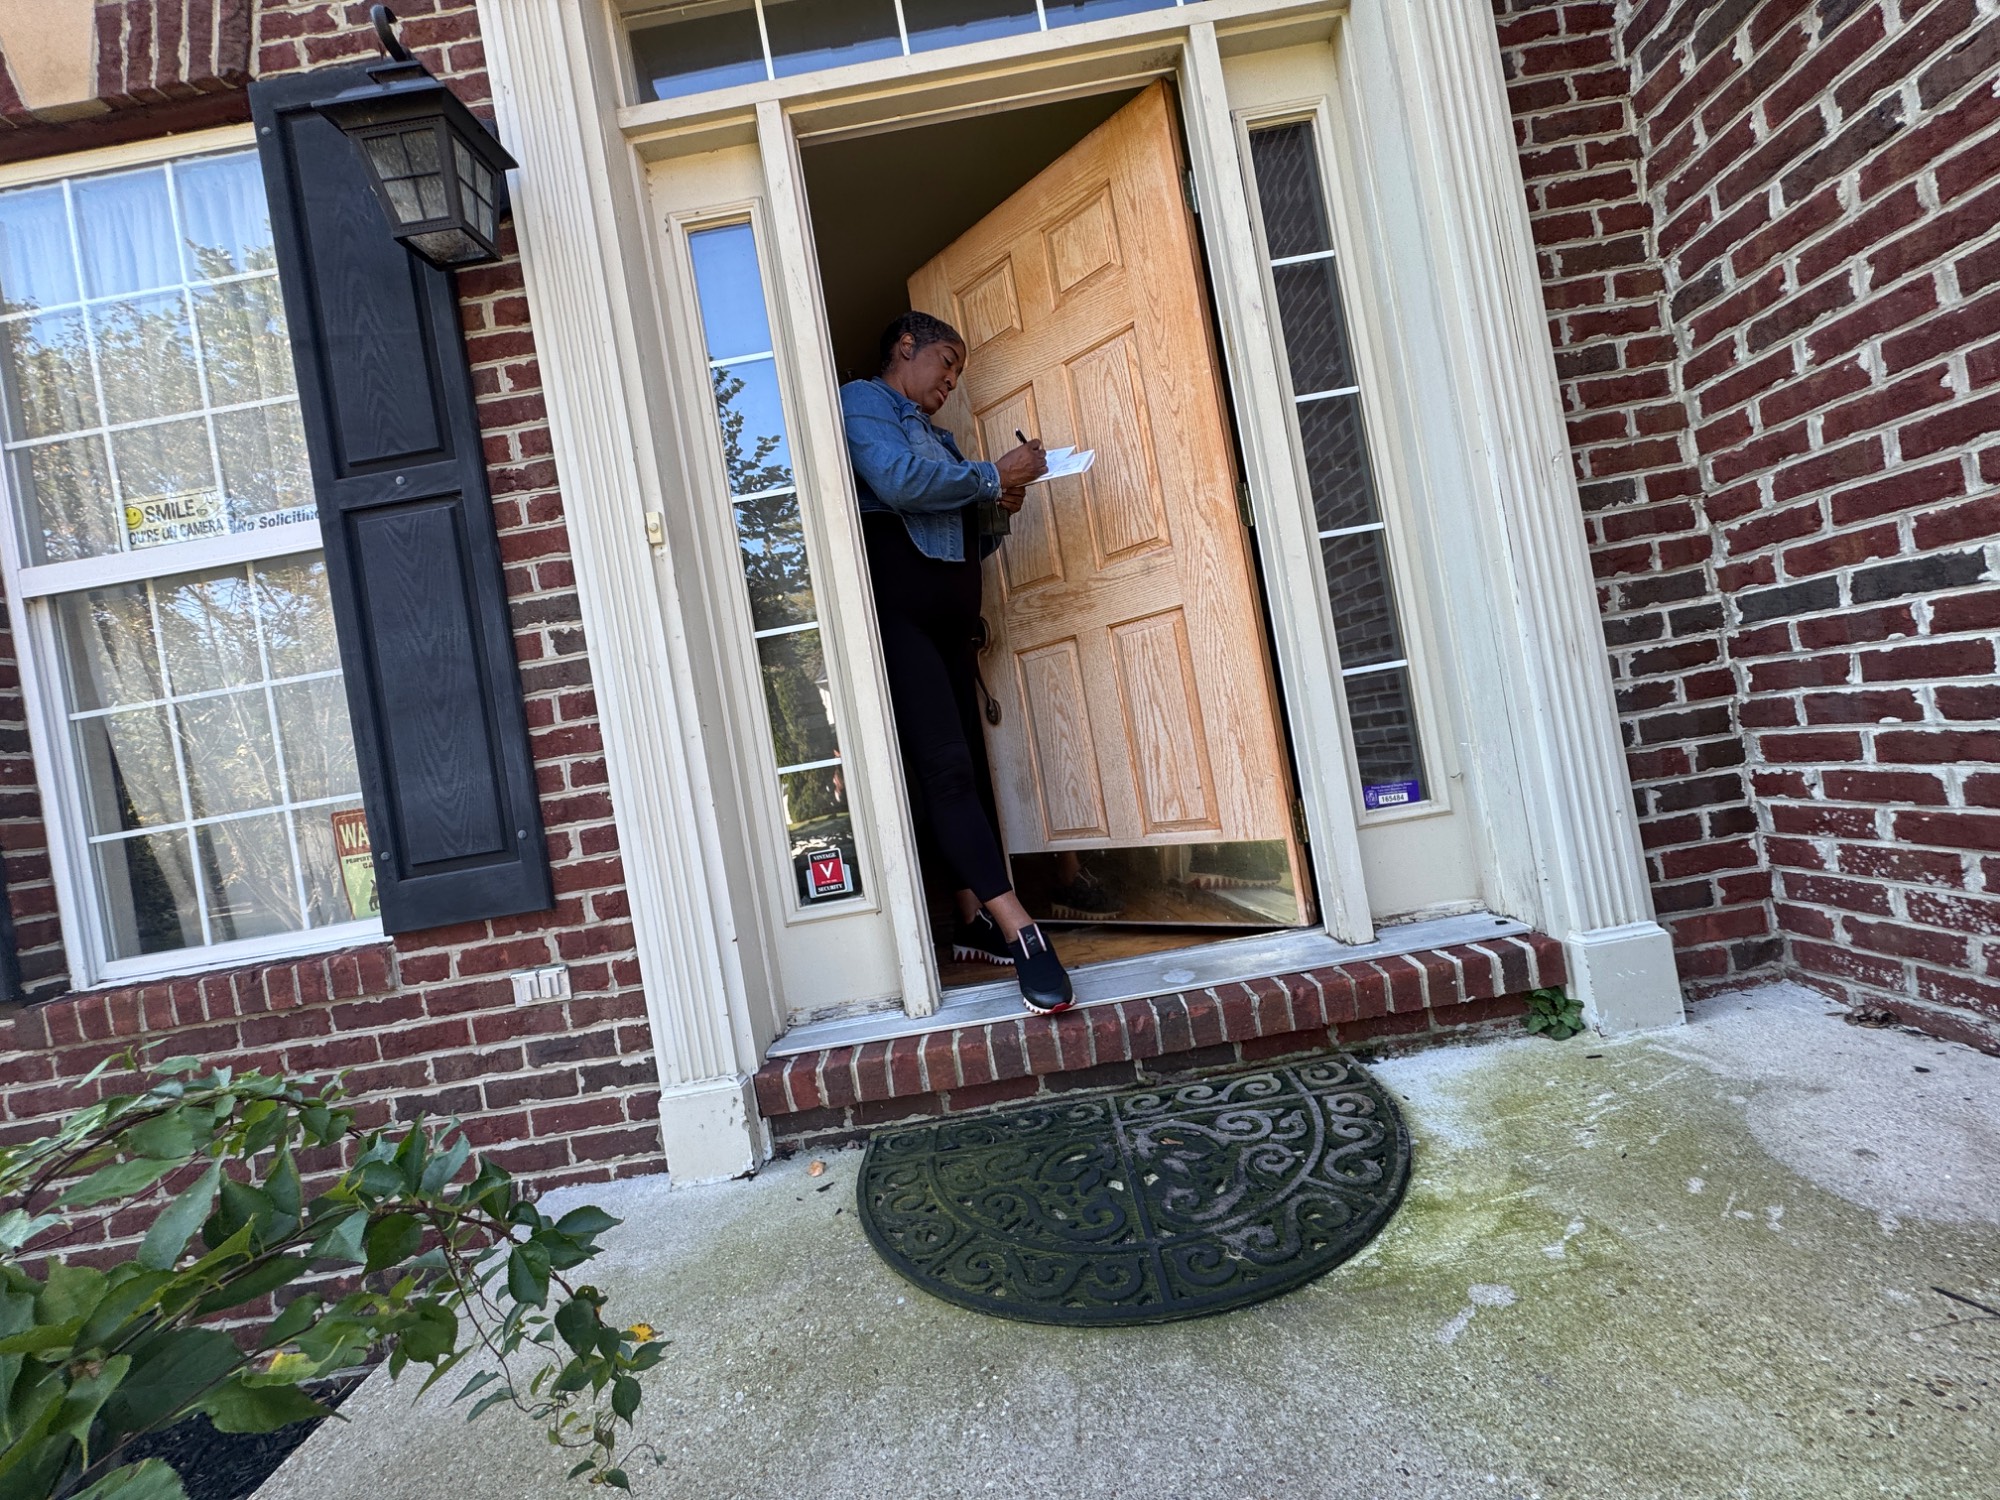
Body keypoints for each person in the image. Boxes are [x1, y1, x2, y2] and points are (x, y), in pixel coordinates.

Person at [840, 311, 1073, 1014]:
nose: (951, 380)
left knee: (965, 767)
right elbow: (898, 483)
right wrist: (990, 474)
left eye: (959, 372)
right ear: (904, 346)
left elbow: (968, 541)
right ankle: (1023, 931)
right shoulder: (864, 402)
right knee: (944, 769)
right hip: (902, 617)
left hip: (953, 626)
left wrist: (1001, 502)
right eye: (946, 361)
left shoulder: (940, 440)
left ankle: (973, 917)